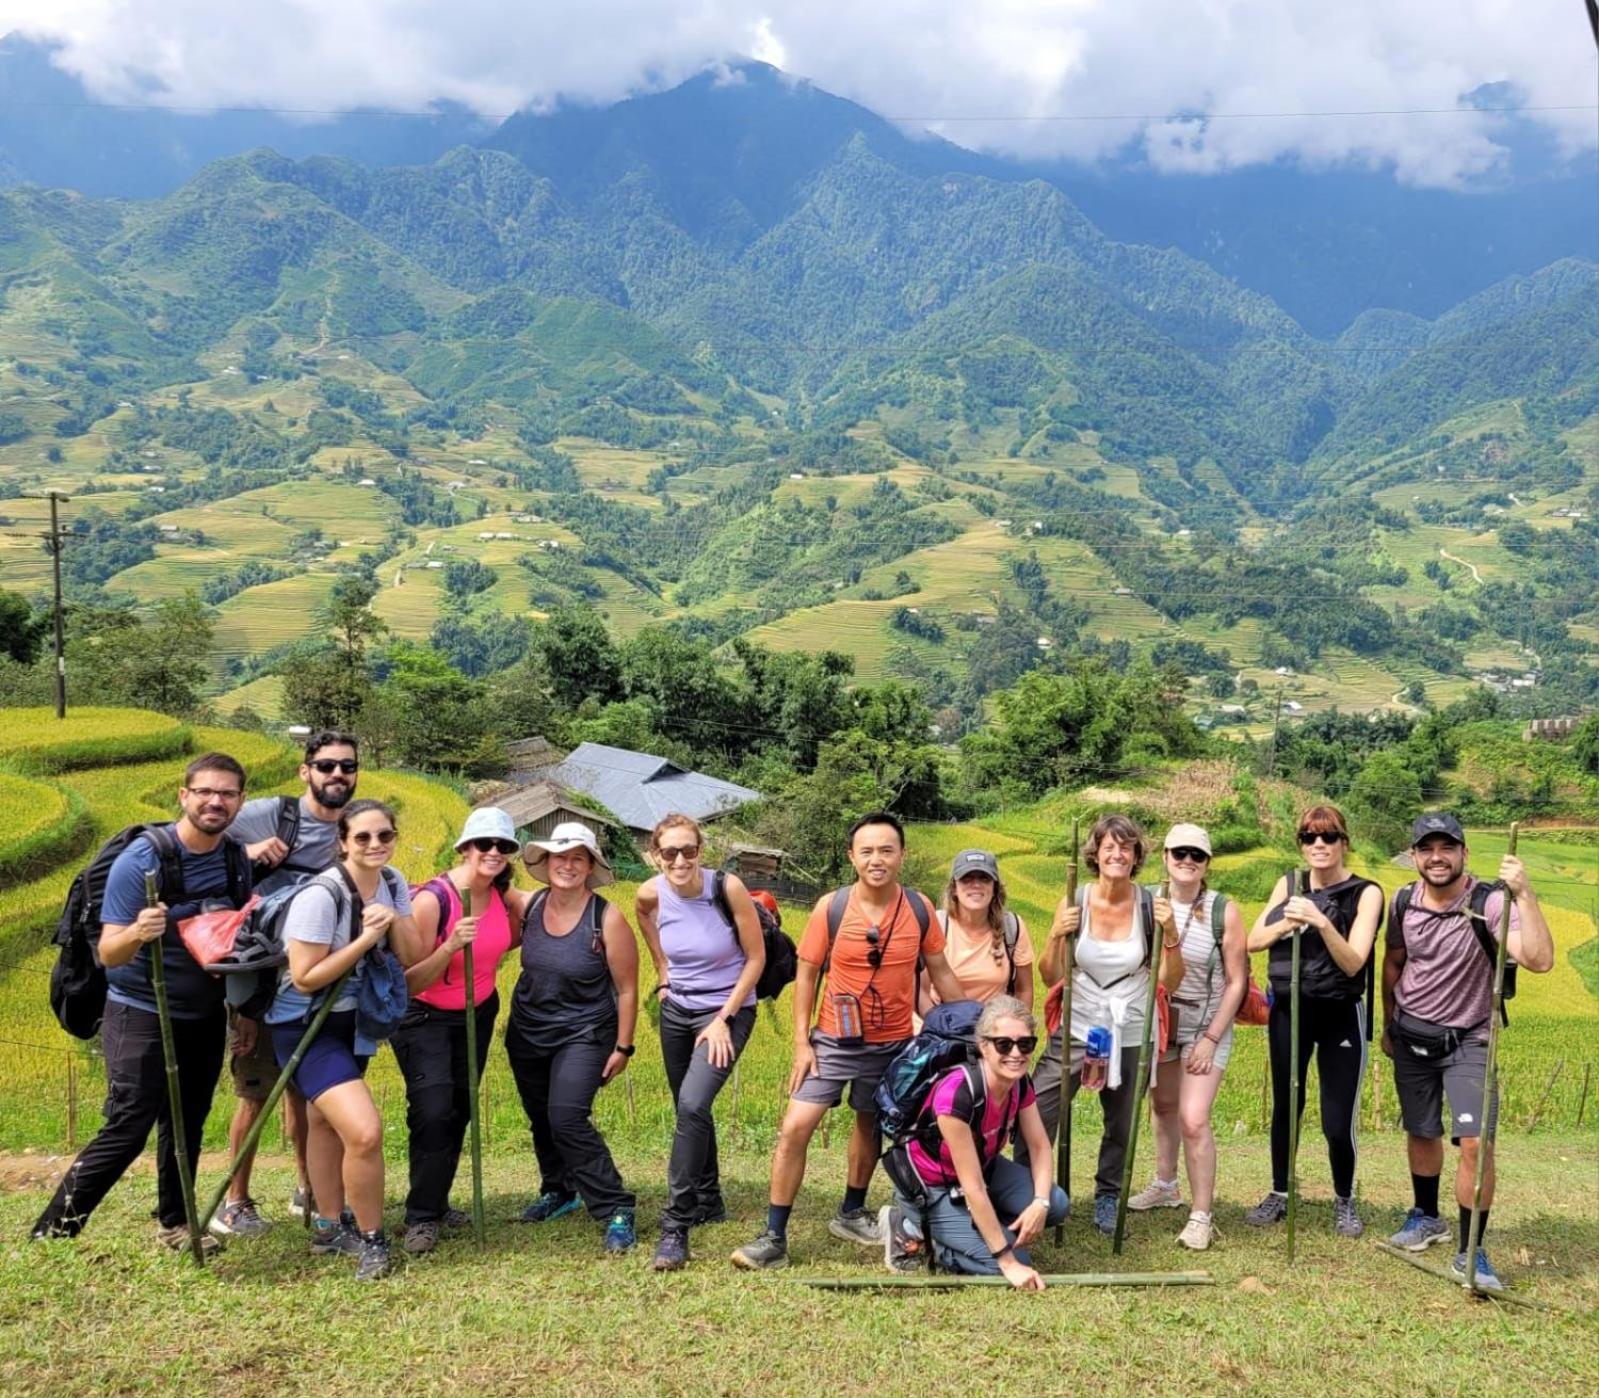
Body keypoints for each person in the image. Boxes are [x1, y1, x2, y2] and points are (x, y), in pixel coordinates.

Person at [32, 754, 254, 1253]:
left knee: (187, 1119)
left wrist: (241, 1013)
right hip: (140, 1008)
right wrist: (139, 930)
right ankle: (55, 1230)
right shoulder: (142, 860)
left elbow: (231, 939)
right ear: (184, 796)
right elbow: (109, 952)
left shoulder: (235, 858)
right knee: (130, 1122)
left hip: (204, 1011)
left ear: (240, 800)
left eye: (227, 793)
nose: (215, 801)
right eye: (205, 792)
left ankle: (176, 1222)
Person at [731, 811, 964, 1271]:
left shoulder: (918, 909)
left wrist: (977, 1022)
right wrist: (802, 1043)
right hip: (834, 1040)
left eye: (886, 850)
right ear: (852, 857)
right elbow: (807, 975)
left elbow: (940, 973)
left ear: (902, 854)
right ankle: (773, 1236)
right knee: (796, 1126)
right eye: (867, 851)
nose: (877, 859)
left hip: (894, 1042)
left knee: (870, 1122)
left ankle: (851, 1212)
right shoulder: (831, 907)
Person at [1381, 812, 1554, 1291]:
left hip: (1470, 1040)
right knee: (1421, 1132)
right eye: (1427, 848)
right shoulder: (1402, 902)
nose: (1437, 857)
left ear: (1464, 853)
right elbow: (1394, 962)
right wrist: (1387, 1023)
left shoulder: (1490, 903)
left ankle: (1471, 1249)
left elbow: (1539, 960)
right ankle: (1425, 1216)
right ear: (1415, 856)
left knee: (1477, 1144)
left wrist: (1527, 894)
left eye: (1447, 847)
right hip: (1412, 1036)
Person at [264, 798, 426, 1281]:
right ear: (342, 843)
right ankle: (372, 1239)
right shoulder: (320, 896)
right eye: (363, 837)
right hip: (305, 1025)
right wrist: (362, 937)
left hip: (354, 1022)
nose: (375, 845)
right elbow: (305, 977)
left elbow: (412, 952)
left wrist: (391, 916)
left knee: (324, 1123)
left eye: (385, 836)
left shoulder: (393, 883)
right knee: (365, 1131)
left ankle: (329, 1225)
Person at [214, 728, 359, 1237]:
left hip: (316, 981)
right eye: (326, 766)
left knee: (305, 1092)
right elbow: (201, 841)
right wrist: (248, 854)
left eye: (346, 766)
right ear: (306, 771)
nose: (336, 774)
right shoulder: (271, 815)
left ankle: (307, 1188)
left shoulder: (356, 828)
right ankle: (234, 1201)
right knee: (254, 1092)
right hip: (260, 980)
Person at [1023, 813, 1183, 1236]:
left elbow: (1170, 980)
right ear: (1096, 853)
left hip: (1130, 1027)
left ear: (1136, 857)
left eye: (1125, 847)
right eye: (1108, 846)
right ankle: (1025, 1189)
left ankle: (1108, 1197)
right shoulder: (1075, 899)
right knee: (1039, 1107)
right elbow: (1048, 974)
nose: (1117, 853)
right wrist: (1057, 934)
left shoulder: (1150, 905)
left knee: (1122, 1121)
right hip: (1078, 1027)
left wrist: (1170, 934)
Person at [392, 806, 533, 1256]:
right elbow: (407, 979)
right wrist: (452, 945)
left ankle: (436, 1200)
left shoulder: (500, 894)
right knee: (432, 1110)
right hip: (425, 1014)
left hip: (477, 1012)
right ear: (465, 848)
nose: (494, 852)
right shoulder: (434, 900)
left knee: (459, 1109)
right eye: (484, 844)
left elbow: (516, 930)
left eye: (504, 846)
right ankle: (420, 1217)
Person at [1245, 803, 1383, 1238]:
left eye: (1328, 837)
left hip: (1340, 1013)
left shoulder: (1367, 893)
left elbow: (1354, 961)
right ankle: (1280, 1192)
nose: (1319, 845)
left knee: (1336, 1120)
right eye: (1309, 837)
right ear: (1301, 844)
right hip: (1290, 1010)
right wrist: (1287, 920)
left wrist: (1321, 922)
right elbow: (1254, 940)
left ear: (1344, 842)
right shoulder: (1289, 884)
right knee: (1287, 1106)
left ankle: (1344, 1199)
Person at [636, 814, 765, 1271]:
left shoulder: (725, 889)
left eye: (688, 850)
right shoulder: (651, 892)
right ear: (655, 855)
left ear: (700, 852)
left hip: (727, 1011)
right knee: (688, 1107)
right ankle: (709, 1198)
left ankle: (676, 1224)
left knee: (693, 1103)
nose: (679, 860)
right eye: (669, 852)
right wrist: (664, 975)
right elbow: (644, 919)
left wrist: (722, 1019)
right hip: (677, 1009)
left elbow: (756, 958)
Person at [506, 822, 640, 1254]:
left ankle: (615, 1207)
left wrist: (623, 1046)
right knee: (542, 1117)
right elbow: (483, 885)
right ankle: (558, 1189)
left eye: (577, 858)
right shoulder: (531, 905)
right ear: (545, 863)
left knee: (566, 1116)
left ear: (590, 866)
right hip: (527, 1029)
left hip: (584, 1033)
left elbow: (627, 988)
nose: (567, 865)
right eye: (560, 856)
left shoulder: (607, 918)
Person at [883, 995, 1068, 1287]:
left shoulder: (1019, 1081)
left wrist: (1040, 1204)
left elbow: (1040, 1146)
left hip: (983, 1168)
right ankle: (911, 1227)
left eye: (1026, 1044)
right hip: (933, 1184)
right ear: (983, 1046)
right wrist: (1007, 1262)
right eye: (1003, 1045)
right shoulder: (956, 1094)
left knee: (1057, 1203)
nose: (1016, 1054)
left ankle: (978, 1229)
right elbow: (973, 1188)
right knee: (1015, 1263)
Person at [1125, 824, 1247, 1250]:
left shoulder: (1222, 910)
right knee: (1162, 1105)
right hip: (1160, 1023)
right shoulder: (1146, 902)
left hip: (1204, 1024)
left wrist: (1212, 1037)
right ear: (1165, 856)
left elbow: (1237, 981)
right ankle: (1165, 1184)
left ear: (1207, 863)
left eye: (1197, 855)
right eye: (1180, 853)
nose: (1187, 861)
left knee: (1193, 1118)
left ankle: (1201, 1214)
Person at [917, 849, 1035, 1015]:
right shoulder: (936, 924)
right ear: (954, 889)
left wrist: (1018, 1031)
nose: (976, 884)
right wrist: (935, 1027)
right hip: (946, 1026)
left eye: (984, 878)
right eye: (967, 878)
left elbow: (1024, 990)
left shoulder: (1012, 927)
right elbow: (921, 990)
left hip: (996, 1030)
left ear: (994, 888)